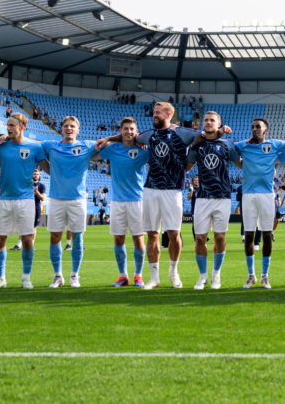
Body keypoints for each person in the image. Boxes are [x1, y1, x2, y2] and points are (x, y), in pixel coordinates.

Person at [95, 102, 201, 289]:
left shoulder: (182, 133)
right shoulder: (148, 135)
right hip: (151, 189)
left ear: (168, 114)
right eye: (154, 112)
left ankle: (173, 273)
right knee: (152, 234)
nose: (154, 115)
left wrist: (218, 133)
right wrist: (109, 138)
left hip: (173, 190)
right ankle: (154, 277)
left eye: (158, 112)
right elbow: (129, 137)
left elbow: (202, 137)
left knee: (173, 233)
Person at [0, 113, 47, 289]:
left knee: (27, 240)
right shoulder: (1, 147)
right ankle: (0, 278)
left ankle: (26, 278)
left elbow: (49, 169)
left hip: (26, 200)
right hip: (4, 199)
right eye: (8, 125)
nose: (8, 128)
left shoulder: (35, 147)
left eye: (12, 125)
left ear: (22, 127)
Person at [32, 117, 99, 288]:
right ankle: (58, 276)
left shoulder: (86, 145)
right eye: (66, 126)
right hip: (56, 198)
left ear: (78, 130)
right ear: (61, 129)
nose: (69, 128)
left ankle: (75, 275)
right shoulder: (51, 145)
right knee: (55, 236)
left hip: (78, 199)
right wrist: (9, 137)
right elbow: (31, 143)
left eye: (72, 126)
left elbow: (108, 143)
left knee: (78, 237)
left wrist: (134, 140)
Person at [233, 118, 285, 290]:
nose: (255, 129)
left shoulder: (274, 144)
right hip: (248, 195)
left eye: (258, 127)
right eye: (252, 127)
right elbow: (228, 149)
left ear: (265, 130)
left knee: (266, 234)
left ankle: (265, 276)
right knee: (249, 235)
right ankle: (251, 275)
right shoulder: (243, 145)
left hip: (267, 195)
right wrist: (240, 163)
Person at [186, 111, 240, 290]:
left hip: (222, 197)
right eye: (206, 120)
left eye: (212, 120)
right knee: (200, 238)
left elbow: (240, 163)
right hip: (202, 197)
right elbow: (187, 166)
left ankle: (216, 274)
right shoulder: (197, 144)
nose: (208, 122)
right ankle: (202, 276)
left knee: (220, 237)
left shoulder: (227, 144)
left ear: (219, 124)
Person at [98, 117, 149, 287]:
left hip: (137, 201)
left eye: (132, 129)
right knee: (118, 239)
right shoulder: (112, 149)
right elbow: (97, 149)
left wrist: (142, 142)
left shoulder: (143, 150)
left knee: (138, 240)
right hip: (117, 202)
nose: (129, 132)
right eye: (126, 129)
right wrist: (110, 139)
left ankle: (138, 276)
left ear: (136, 132)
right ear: (120, 131)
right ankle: (123, 276)